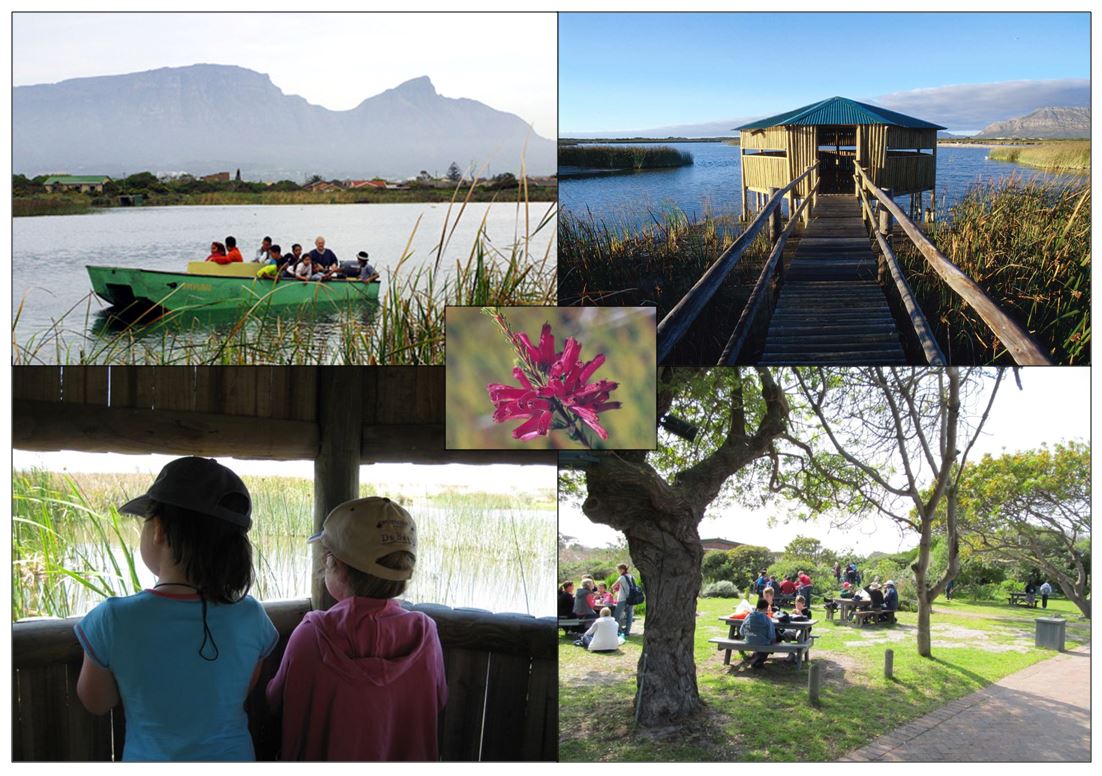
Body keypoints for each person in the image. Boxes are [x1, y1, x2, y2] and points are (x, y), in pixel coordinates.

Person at [73, 457, 278, 761]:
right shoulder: (251, 615)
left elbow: (96, 701)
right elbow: (240, 688)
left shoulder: (113, 618)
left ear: (159, 529)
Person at [266, 497, 446, 760]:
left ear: (337, 566)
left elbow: (276, 702)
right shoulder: (425, 635)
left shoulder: (311, 635)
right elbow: (438, 701)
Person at [742, 598, 777, 669]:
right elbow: (771, 636)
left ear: (757, 606)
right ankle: (759, 660)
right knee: (774, 639)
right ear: (766, 608)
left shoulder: (748, 616)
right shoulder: (767, 619)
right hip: (762, 642)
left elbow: (741, 632)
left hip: (749, 641)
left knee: (764, 639)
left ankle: (757, 656)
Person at [613, 563, 637, 639]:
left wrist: (616, 590)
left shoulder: (622, 577)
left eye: (618, 570)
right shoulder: (631, 576)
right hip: (631, 598)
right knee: (629, 615)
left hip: (622, 599)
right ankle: (627, 632)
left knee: (617, 616)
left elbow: (613, 586)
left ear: (622, 569)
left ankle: (619, 631)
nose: (618, 571)